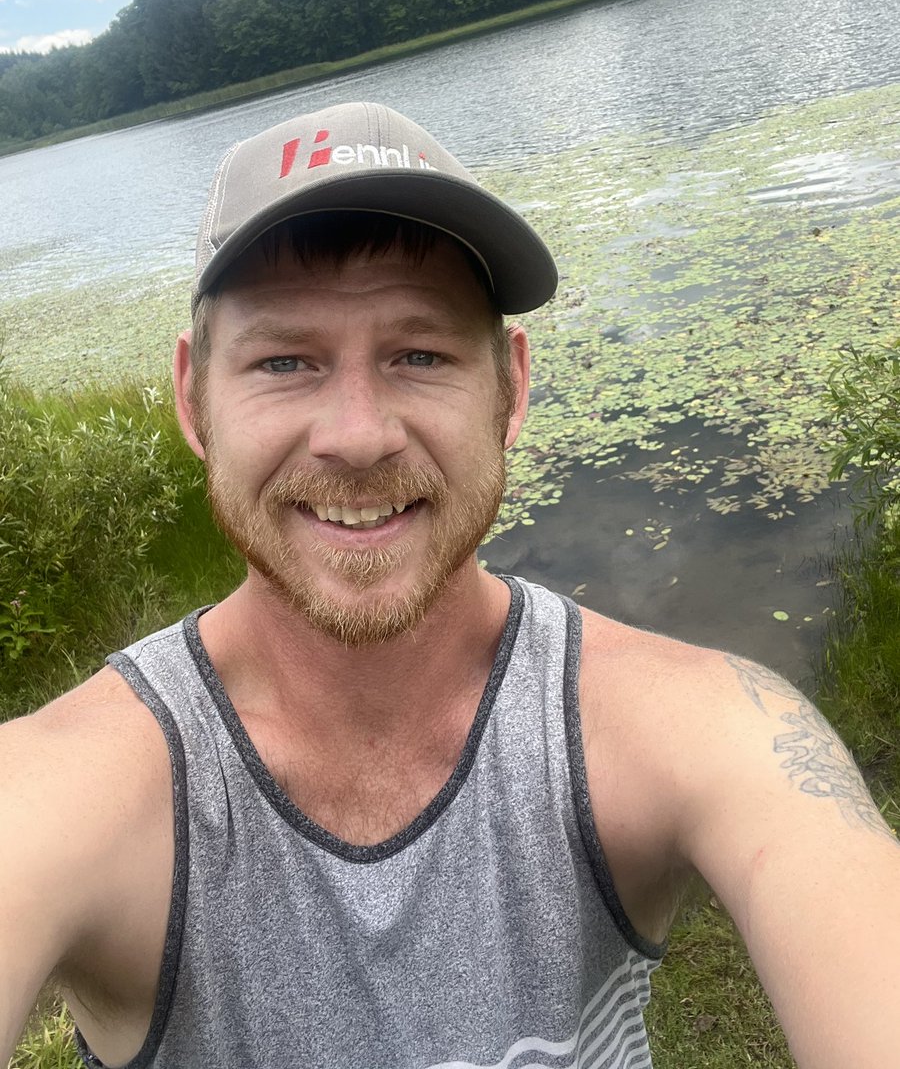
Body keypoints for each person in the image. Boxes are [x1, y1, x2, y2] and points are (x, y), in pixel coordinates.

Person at [1, 101, 898, 1069]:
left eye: (420, 354)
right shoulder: (78, 792)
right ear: (192, 400)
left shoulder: (695, 729)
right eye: (285, 361)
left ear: (510, 388)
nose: (357, 433)